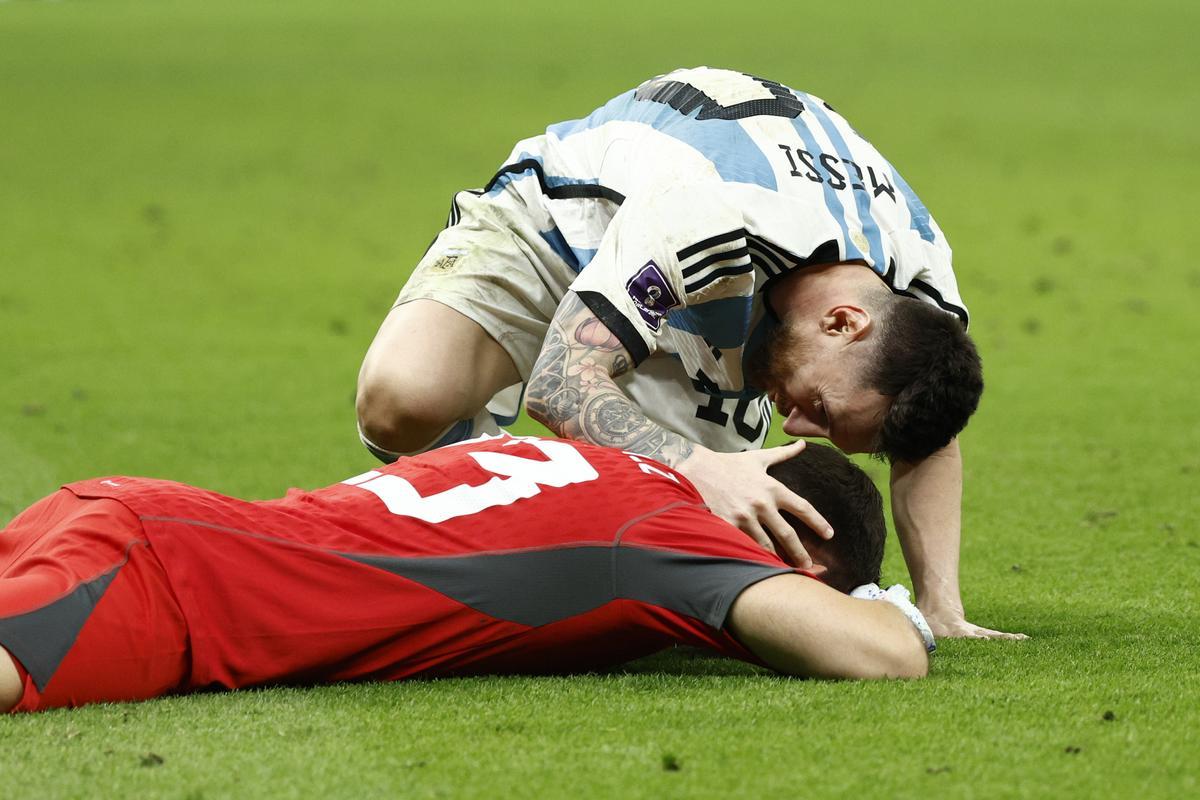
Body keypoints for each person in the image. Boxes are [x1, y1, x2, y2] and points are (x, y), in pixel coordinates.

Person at [355, 67, 1018, 639]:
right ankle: (493, 501)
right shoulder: (707, 211)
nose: (795, 429)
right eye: (819, 406)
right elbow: (560, 384)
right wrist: (702, 464)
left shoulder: (918, 292)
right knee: (402, 400)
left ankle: (552, 500)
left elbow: (927, 430)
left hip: (717, 303)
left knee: (690, 557)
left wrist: (941, 604)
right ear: (844, 322)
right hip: (564, 227)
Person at [0, 435, 930, 713]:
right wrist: (891, 607)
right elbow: (882, 656)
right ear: (797, 552)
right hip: (172, 590)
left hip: (124, 517)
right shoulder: (671, 536)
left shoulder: (595, 459)